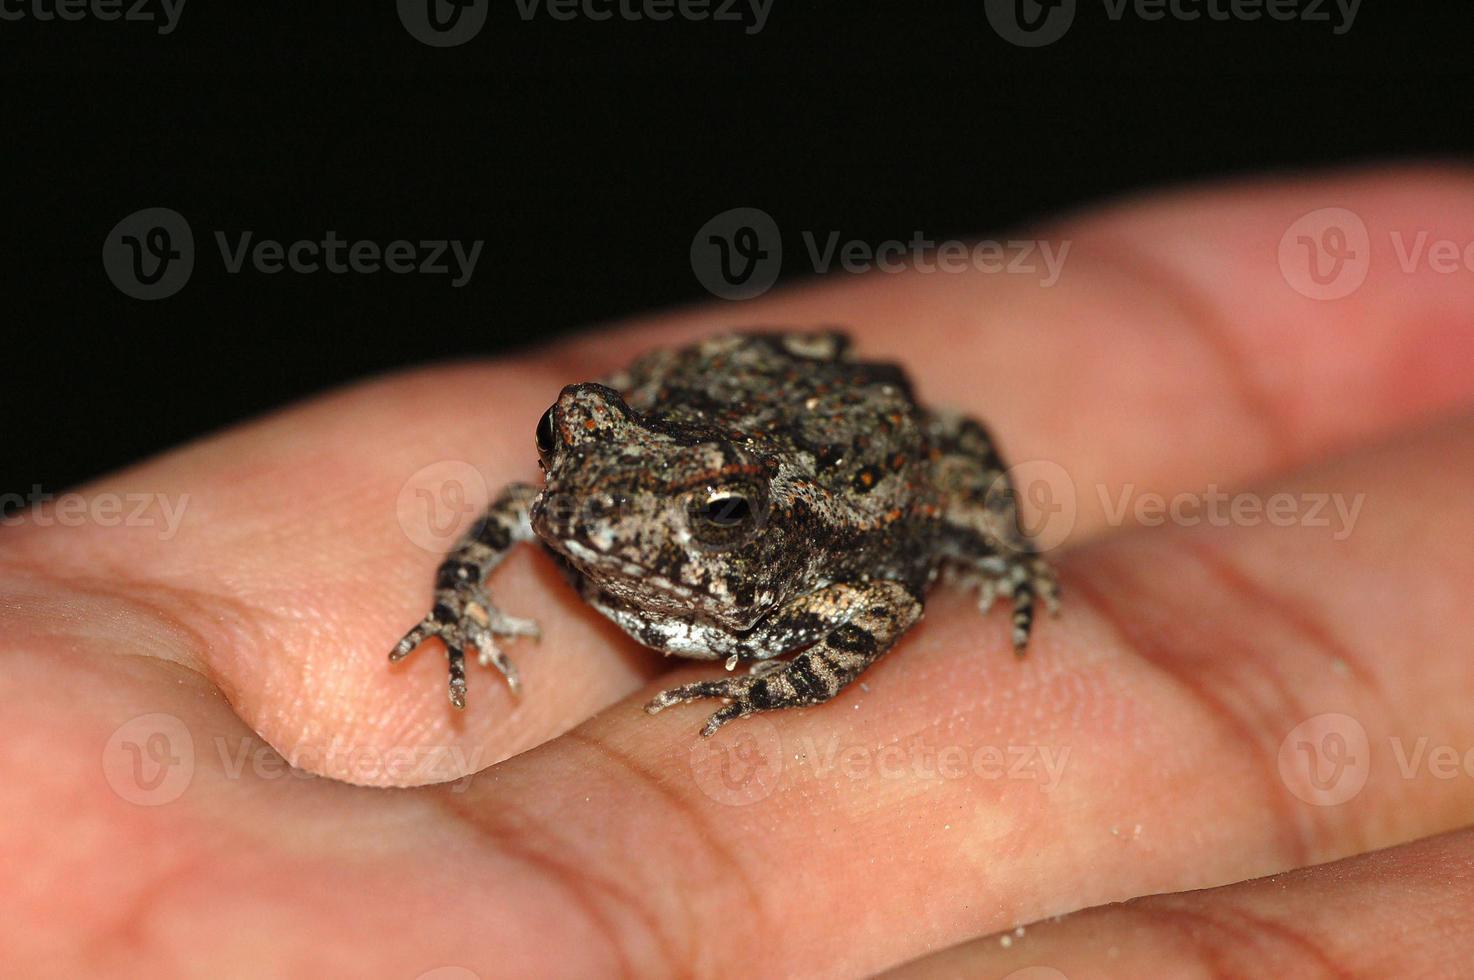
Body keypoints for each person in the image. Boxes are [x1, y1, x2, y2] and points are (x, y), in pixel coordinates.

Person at [5, 167, 1474, 976]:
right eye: (567, 446)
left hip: (837, 470)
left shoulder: (808, 563)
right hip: (736, 414)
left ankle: (970, 537)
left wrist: (792, 665)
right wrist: (455, 608)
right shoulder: (589, 500)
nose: (595, 520)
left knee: (950, 488)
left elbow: (885, 590)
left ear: (733, 526)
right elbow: (532, 505)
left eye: (687, 519)